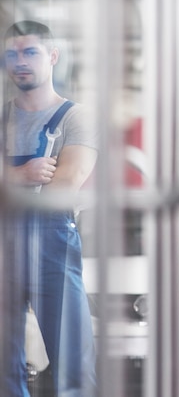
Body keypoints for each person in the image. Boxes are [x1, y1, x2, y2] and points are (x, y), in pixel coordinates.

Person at [1, 20, 98, 396]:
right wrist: (23, 174)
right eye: (11, 54)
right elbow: (40, 182)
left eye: (30, 52)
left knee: (73, 363)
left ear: (53, 56)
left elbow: (63, 187)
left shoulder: (77, 118)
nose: (20, 62)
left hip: (51, 244)